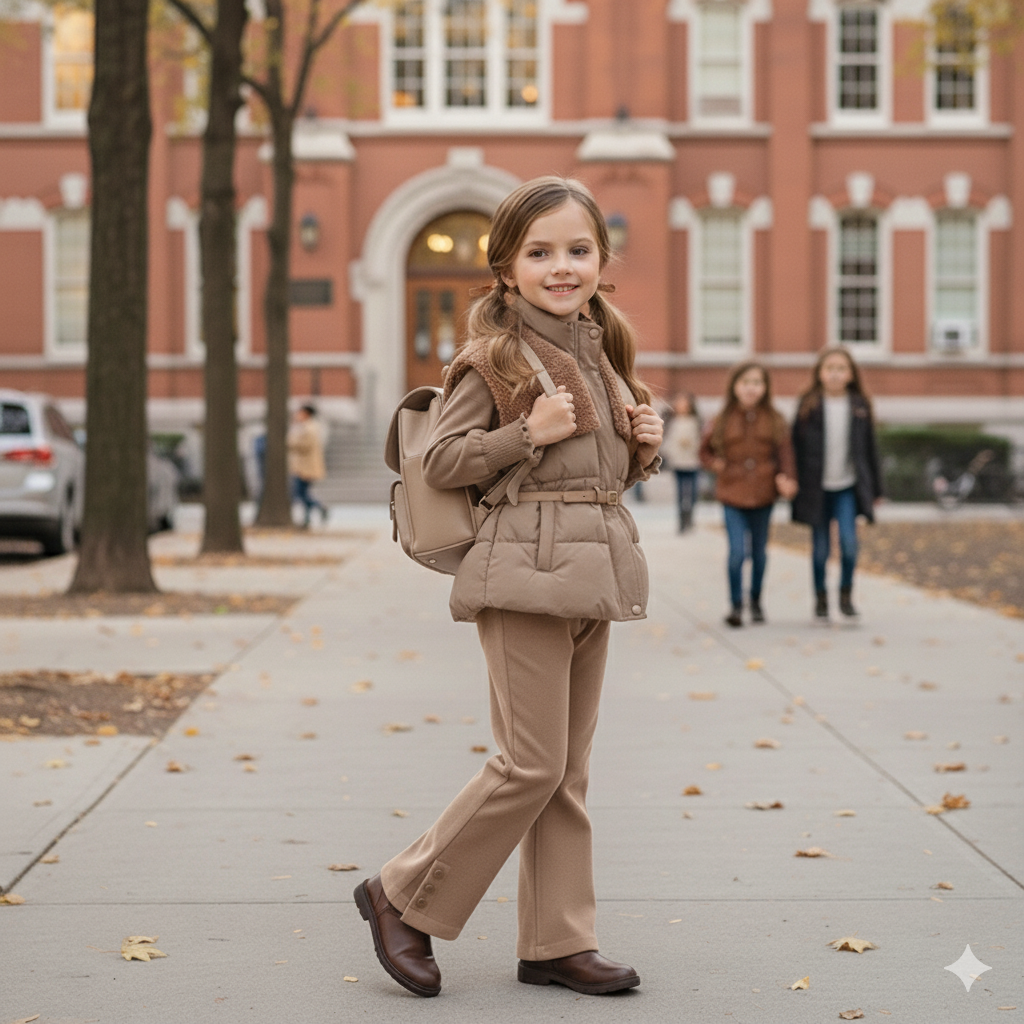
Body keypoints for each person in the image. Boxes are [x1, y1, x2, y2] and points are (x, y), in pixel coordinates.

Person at [354, 176, 663, 999]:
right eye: (540, 252)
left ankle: (558, 941)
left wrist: (641, 444)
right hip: (523, 574)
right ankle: (400, 894)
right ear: (506, 268)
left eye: (578, 250)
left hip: (593, 570)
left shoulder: (603, 350)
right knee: (530, 763)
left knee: (565, 771)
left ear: (600, 259)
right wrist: (526, 430)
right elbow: (440, 462)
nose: (562, 266)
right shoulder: (494, 358)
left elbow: (592, 475)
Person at [699, 362, 797, 627]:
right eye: (745, 383)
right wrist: (715, 464)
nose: (751, 388)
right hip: (732, 493)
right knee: (737, 553)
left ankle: (755, 600)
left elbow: (786, 454)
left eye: (757, 383)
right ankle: (736, 604)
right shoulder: (722, 419)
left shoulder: (775, 419)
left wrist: (786, 478)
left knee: (759, 552)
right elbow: (704, 451)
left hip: (764, 494)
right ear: (735, 387)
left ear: (765, 387)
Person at [791, 347, 883, 622]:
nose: (835, 374)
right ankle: (820, 597)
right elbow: (795, 447)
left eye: (841, 368)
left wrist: (877, 489)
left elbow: (870, 449)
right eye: (829, 368)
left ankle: (846, 595)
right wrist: (792, 480)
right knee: (820, 551)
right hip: (816, 488)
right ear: (819, 373)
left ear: (851, 374)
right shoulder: (809, 405)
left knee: (849, 543)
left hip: (847, 488)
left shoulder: (859, 406)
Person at [661, 392, 701, 532]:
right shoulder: (672, 422)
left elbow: (700, 440)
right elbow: (667, 442)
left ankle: (690, 517)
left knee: (693, 492)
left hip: (693, 461)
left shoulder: (695, 422)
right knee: (680, 493)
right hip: (678, 462)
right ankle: (681, 520)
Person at [287, 404, 327, 527]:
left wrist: (288, 442)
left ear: (306, 414)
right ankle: (307, 518)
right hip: (303, 466)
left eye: (300, 413)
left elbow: (304, 446)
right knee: (303, 493)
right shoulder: (306, 427)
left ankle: (319, 508)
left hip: (306, 467)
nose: (297, 415)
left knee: (301, 493)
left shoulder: (309, 428)